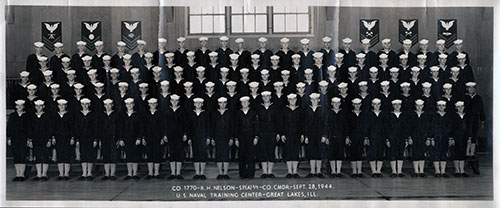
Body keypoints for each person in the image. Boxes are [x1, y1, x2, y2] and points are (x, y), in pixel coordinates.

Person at [256, 91, 280, 178]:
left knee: (271, 151)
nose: (266, 98)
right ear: (262, 98)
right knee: (263, 152)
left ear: (270, 97)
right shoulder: (259, 108)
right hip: (262, 132)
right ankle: (264, 172)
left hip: (272, 132)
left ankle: (270, 172)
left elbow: (278, 121)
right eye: (264, 97)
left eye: (267, 96)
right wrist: (257, 134)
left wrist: (278, 133)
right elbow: (257, 122)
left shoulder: (275, 107)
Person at [234, 96, 259, 179]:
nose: (244, 104)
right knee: (242, 155)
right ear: (241, 103)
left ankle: (251, 173)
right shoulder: (238, 113)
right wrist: (236, 138)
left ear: (249, 103)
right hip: (241, 136)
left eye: (246, 102)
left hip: (251, 135)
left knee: (251, 155)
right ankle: (243, 173)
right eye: (243, 102)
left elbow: (256, 125)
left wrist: (256, 136)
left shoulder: (253, 112)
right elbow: (236, 126)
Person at [73, 98, 97, 180]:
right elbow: (76, 127)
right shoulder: (78, 114)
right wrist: (77, 139)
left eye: (86, 104)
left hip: (90, 137)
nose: (85, 106)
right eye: (83, 104)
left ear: (89, 105)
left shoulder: (92, 114)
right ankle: (84, 173)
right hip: (81, 137)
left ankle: (89, 173)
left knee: (90, 154)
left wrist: (95, 139)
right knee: (83, 153)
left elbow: (95, 128)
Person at [304, 93, 327, 178]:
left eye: (316, 99)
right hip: (310, 134)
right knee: (311, 152)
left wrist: (324, 135)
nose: (314, 101)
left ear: (319, 100)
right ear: (310, 100)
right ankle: (312, 171)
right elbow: (305, 123)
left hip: (319, 134)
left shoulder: (322, 110)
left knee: (319, 152)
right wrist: (306, 136)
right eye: (313, 100)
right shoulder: (307, 110)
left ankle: (319, 171)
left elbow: (325, 123)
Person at [464, 82, 485, 175]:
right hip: (466, 119)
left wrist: (482, 120)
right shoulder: (465, 97)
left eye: (472, 88)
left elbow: (481, 109)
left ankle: (471, 152)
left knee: (473, 135)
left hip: (475, 119)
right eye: (469, 88)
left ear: (475, 89)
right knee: (467, 134)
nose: (471, 90)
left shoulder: (478, 98)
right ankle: (467, 151)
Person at [143, 98, 166, 180]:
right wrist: (143, 137)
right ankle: (150, 173)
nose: (152, 105)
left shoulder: (160, 114)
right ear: (149, 104)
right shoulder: (146, 114)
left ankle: (156, 173)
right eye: (151, 104)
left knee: (157, 154)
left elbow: (163, 126)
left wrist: (163, 137)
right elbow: (143, 127)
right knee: (149, 154)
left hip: (158, 137)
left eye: (154, 104)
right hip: (148, 137)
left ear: (156, 104)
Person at [281, 94, 304, 178]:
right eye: (290, 99)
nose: (292, 101)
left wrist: (302, 134)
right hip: (287, 134)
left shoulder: (300, 110)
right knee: (288, 152)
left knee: (295, 152)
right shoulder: (284, 110)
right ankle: (289, 171)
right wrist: (282, 133)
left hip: (297, 134)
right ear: (288, 100)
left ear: (296, 100)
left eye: (294, 99)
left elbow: (302, 123)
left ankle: (295, 171)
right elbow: (282, 123)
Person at [165, 94, 187, 180]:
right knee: (172, 152)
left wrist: (185, 134)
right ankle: (172, 173)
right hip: (170, 135)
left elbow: (185, 123)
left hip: (179, 134)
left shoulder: (182, 110)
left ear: (178, 102)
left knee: (179, 152)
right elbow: (165, 124)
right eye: (173, 101)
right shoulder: (167, 111)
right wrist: (165, 134)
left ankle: (178, 173)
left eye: (176, 101)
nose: (174, 102)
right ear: (170, 101)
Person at [98, 99, 121, 181]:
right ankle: (107, 174)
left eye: (109, 105)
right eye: (106, 105)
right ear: (104, 106)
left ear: (112, 105)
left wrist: (119, 138)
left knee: (113, 155)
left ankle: (113, 174)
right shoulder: (101, 115)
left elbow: (119, 127)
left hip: (114, 137)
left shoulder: (116, 115)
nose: (108, 107)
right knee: (106, 154)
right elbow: (99, 128)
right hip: (104, 138)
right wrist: (99, 139)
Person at [7, 100, 30, 181]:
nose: (20, 107)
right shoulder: (12, 115)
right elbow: (9, 127)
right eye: (18, 106)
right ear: (16, 106)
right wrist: (9, 138)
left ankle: (22, 174)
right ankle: (17, 174)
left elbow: (29, 128)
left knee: (23, 155)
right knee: (16, 155)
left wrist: (29, 139)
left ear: (23, 106)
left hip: (24, 138)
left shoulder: (27, 116)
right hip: (14, 138)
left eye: (21, 106)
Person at [30, 100, 53, 181]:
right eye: (37, 106)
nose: (39, 108)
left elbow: (50, 129)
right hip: (36, 139)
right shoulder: (32, 116)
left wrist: (50, 139)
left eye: (40, 106)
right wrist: (30, 140)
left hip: (45, 139)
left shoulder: (47, 116)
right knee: (37, 156)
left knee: (45, 156)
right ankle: (38, 174)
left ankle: (44, 174)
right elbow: (30, 129)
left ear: (43, 107)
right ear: (35, 107)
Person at [121, 98, 143, 180]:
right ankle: (129, 173)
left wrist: (139, 138)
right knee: (128, 154)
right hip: (126, 138)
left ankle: (135, 173)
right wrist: (121, 139)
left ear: (133, 105)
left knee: (135, 154)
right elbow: (121, 128)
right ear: (125, 105)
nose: (129, 105)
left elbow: (141, 127)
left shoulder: (137, 115)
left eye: (131, 104)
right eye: (127, 104)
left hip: (135, 138)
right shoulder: (123, 115)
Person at [211, 97, 233, 179]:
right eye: (220, 103)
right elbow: (212, 126)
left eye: (224, 103)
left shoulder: (229, 113)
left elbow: (232, 126)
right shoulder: (215, 113)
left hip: (227, 136)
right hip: (217, 136)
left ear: (226, 103)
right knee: (219, 154)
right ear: (218, 104)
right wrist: (212, 138)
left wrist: (231, 138)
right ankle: (220, 173)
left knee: (226, 154)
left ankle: (226, 173)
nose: (222, 104)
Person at [430, 100, 453, 178]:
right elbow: (431, 127)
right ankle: (437, 171)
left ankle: (443, 171)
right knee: (436, 153)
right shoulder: (434, 115)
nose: (441, 107)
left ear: (445, 107)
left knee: (444, 152)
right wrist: (431, 138)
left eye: (443, 106)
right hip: (436, 136)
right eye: (439, 106)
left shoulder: (448, 116)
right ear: (437, 107)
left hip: (445, 137)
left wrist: (450, 138)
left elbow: (450, 128)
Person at [52, 99, 74, 181]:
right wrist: (53, 137)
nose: (62, 107)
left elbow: (72, 127)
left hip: (67, 137)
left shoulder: (69, 115)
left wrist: (72, 137)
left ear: (66, 106)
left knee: (66, 154)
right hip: (58, 137)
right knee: (60, 154)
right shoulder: (55, 115)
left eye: (63, 105)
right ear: (58, 106)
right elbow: (53, 127)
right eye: (60, 105)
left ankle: (66, 174)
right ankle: (61, 173)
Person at [346, 98, 368, 178]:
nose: (357, 106)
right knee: (353, 153)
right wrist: (347, 137)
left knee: (360, 153)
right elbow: (347, 126)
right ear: (353, 105)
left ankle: (359, 171)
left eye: (358, 104)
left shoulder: (363, 114)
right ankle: (354, 171)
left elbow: (366, 126)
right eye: (355, 104)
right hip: (352, 136)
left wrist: (366, 137)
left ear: (361, 105)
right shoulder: (349, 114)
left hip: (361, 136)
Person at [386, 99, 407, 177]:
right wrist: (387, 139)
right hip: (392, 137)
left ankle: (400, 171)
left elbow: (406, 128)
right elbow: (387, 128)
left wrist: (406, 139)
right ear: (393, 106)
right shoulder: (389, 115)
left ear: (401, 106)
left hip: (401, 137)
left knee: (400, 153)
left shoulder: (404, 115)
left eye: (399, 105)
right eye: (395, 105)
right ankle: (394, 171)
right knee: (392, 153)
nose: (397, 106)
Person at [366, 98, 387, 177]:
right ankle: (373, 170)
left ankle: (378, 170)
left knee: (380, 152)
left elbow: (386, 126)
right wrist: (366, 137)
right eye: (375, 104)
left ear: (380, 105)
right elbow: (366, 127)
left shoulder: (383, 114)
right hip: (372, 136)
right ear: (372, 105)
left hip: (381, 136)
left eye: (378, 104)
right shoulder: (369, 114)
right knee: (372, 152)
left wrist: (386, 137)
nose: (376, 106)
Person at [326, 97, 346, 178]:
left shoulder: (343, 113)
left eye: (338, 103)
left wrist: (347, 137)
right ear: (331, 104)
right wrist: (326, 136)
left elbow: (346, 126)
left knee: (339, 153)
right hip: (331, 136)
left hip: (341, 136)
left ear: (340, 104)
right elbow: (326, 125)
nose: (336, 105)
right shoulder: (329, 113)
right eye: (334, 103)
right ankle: (333, 171)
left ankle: (338, 171)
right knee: (332, 153)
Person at [451, 101, 471, 177]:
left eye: (462, 107)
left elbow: (469, 127)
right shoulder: (453, 116)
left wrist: (469, 137)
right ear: (456, 108)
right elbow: (451, 127)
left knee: (463, 153)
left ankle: (462, 170)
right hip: (456, 137)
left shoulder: (467, 116)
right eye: (458, 107)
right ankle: (457, 170)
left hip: (464, 137)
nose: (460, 108)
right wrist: (451, 138)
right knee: (456, 153)